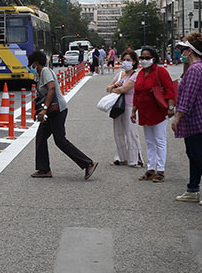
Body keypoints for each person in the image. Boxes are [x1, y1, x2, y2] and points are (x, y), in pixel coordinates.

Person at [28, 51, 98, 179]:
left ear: (36, 63)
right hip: (52, 111)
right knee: (41, 137)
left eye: (31, 65)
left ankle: (88, 163)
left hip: (57, 110)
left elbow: (52, 88)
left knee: (60, 141)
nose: (31, 68)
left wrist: (44, 109)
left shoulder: (45, 71)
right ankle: (44, 169)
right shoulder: (41, 73)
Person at [172, 32, 202, 206]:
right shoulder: (199, 67)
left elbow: (187, 97)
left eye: (183, 50)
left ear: (190, 51)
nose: (181, 53)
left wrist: (177, 117)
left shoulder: (195, 70)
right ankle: (193, 189)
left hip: (197, 118)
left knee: (198, 154)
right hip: (197, 118)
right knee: (193, 154)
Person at [131, 46, 176, 182]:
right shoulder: (140, 73)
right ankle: (151, 169)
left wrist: (171, 107)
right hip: (145, 112)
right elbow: (137, 93)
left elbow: (169, 90)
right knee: (150, 142)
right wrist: (134, 110)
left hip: (159, 111)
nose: (144, 60)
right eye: (142, 58)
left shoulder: (160, 72)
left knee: (160, 141)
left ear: (154, 59)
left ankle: (160, 170)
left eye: (147, 57)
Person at [105, 50, 142, 167]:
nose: (126, 62)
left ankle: (136, 159)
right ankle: (122, 158)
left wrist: (115, 88)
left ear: (134, 62)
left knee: (131, 132)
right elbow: (108, 88)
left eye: (128, 60)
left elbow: (124, 89)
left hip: (130, 106)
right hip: (118, 106)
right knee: (118, 133)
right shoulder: (120, 74)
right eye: (124, 60)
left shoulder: (135, 75)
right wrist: (115, 86)